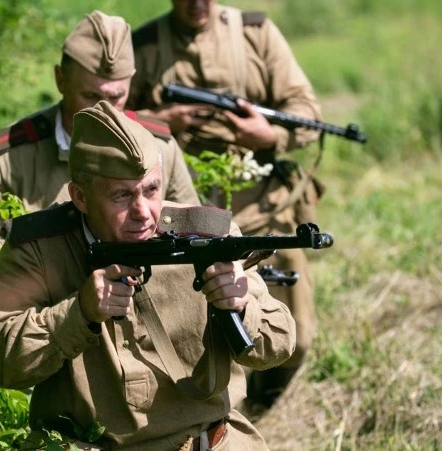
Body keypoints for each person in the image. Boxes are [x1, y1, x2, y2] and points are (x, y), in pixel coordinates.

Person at [0, 100, 296, 450]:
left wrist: (240, 307)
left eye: (152, 190)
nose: (143, 212)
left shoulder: (207, 233)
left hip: (208, 442)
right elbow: (0, 362)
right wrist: (78, 313)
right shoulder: (38, 248)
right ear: (80, 196)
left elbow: (279, 344)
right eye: (121, 195)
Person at [127, 0, 323, 410]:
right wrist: (160, 121)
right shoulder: (144, 46)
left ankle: (262, 410)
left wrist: (267, 136)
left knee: (296, 337)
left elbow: (306, 111)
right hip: (184, 222)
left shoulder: (255, 34)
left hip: (264, 212)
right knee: (199, 347)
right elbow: (107, 120)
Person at [0, 11, 200, 280]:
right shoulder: (4, 159)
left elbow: (191, 228)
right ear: (60, 80)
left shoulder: (160, 148)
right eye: (90, 95)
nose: (104, 110)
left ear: (130, 85)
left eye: (116, 97)